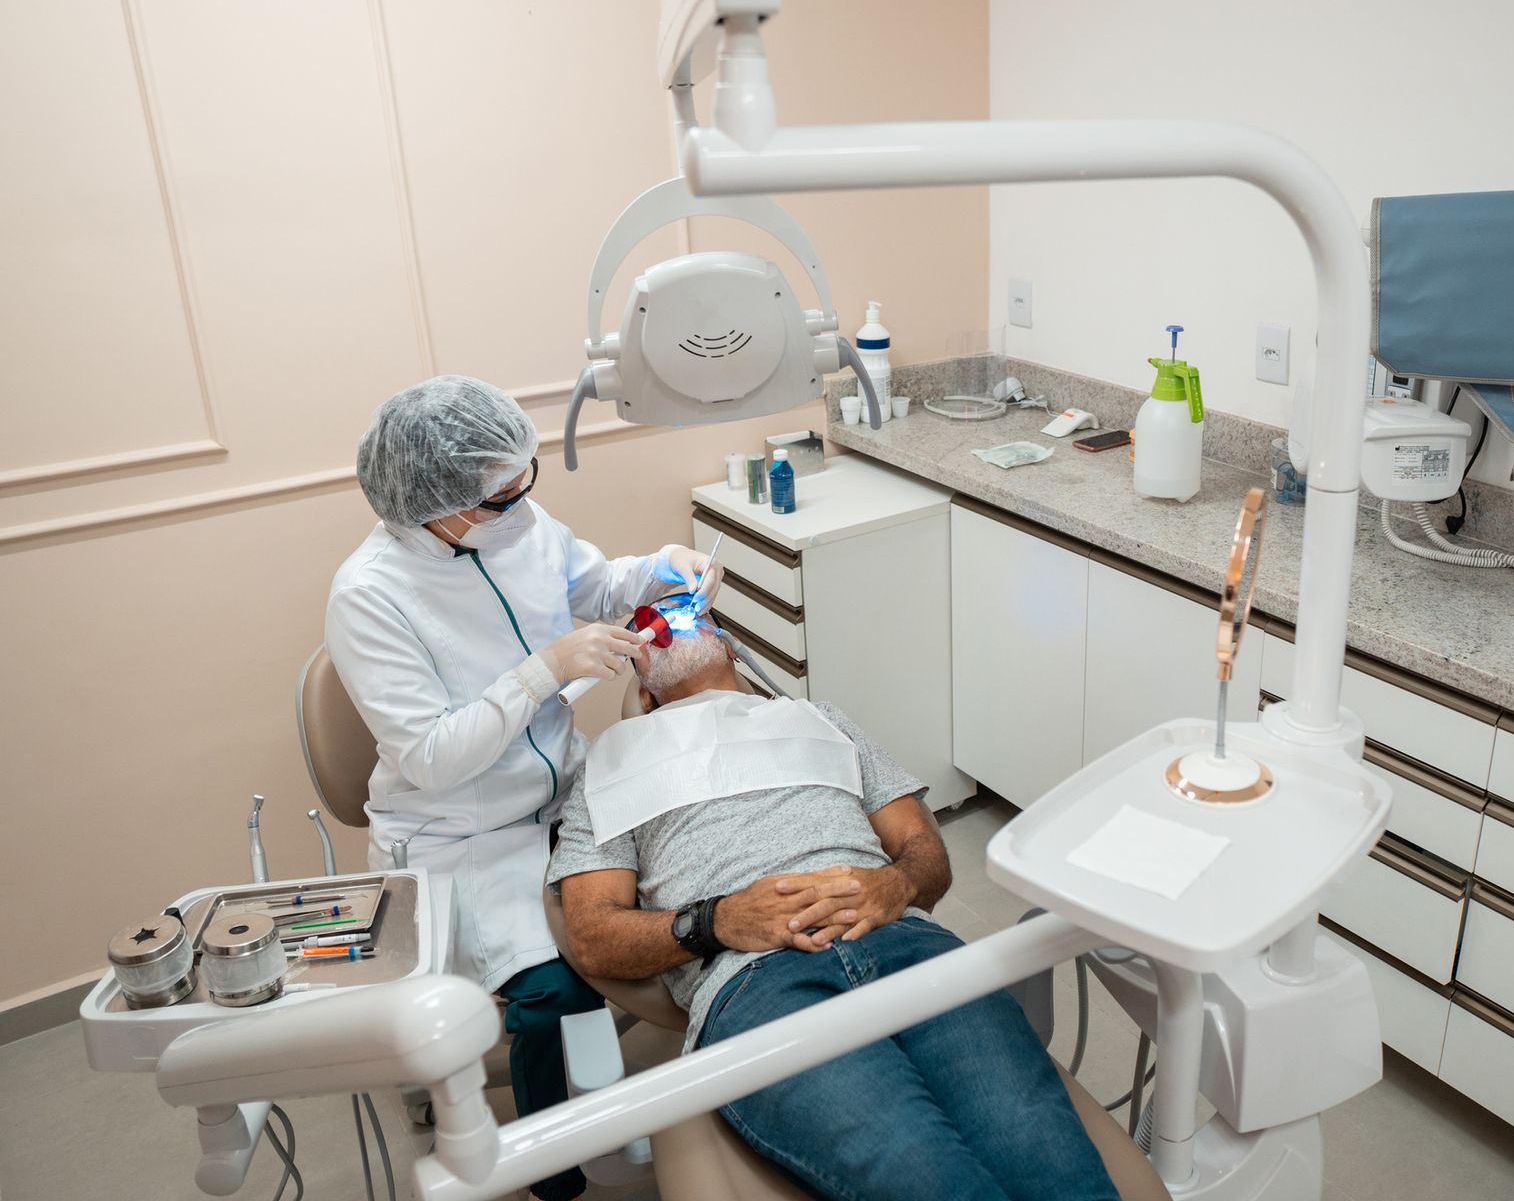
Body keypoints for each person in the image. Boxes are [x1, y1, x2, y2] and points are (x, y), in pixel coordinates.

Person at [549, 621, 1122, 1201]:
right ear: (643, 688)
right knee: (927, 1175)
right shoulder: (608, 765)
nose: (667, 617)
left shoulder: (818, 719)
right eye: (650, 620)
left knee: (1045, 1156)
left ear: (728, 645)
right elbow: (594, 935)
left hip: (912, 946)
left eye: (686, 607)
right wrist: (717, 920)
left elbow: (925, 853)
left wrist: (896, 886)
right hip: (759, 985)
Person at [327, 375, 721, 1201]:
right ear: (429, 502)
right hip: (460, 830)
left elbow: (592, 587)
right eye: (500, 498)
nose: (521, 505)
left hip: (564, 792)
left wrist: (658, 567)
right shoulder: (370, 596)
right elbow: (432, 756)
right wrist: (542, 673)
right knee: (549, 992)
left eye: (521, 486)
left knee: (693, 898)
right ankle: (552, 1171)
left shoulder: (515, 520)